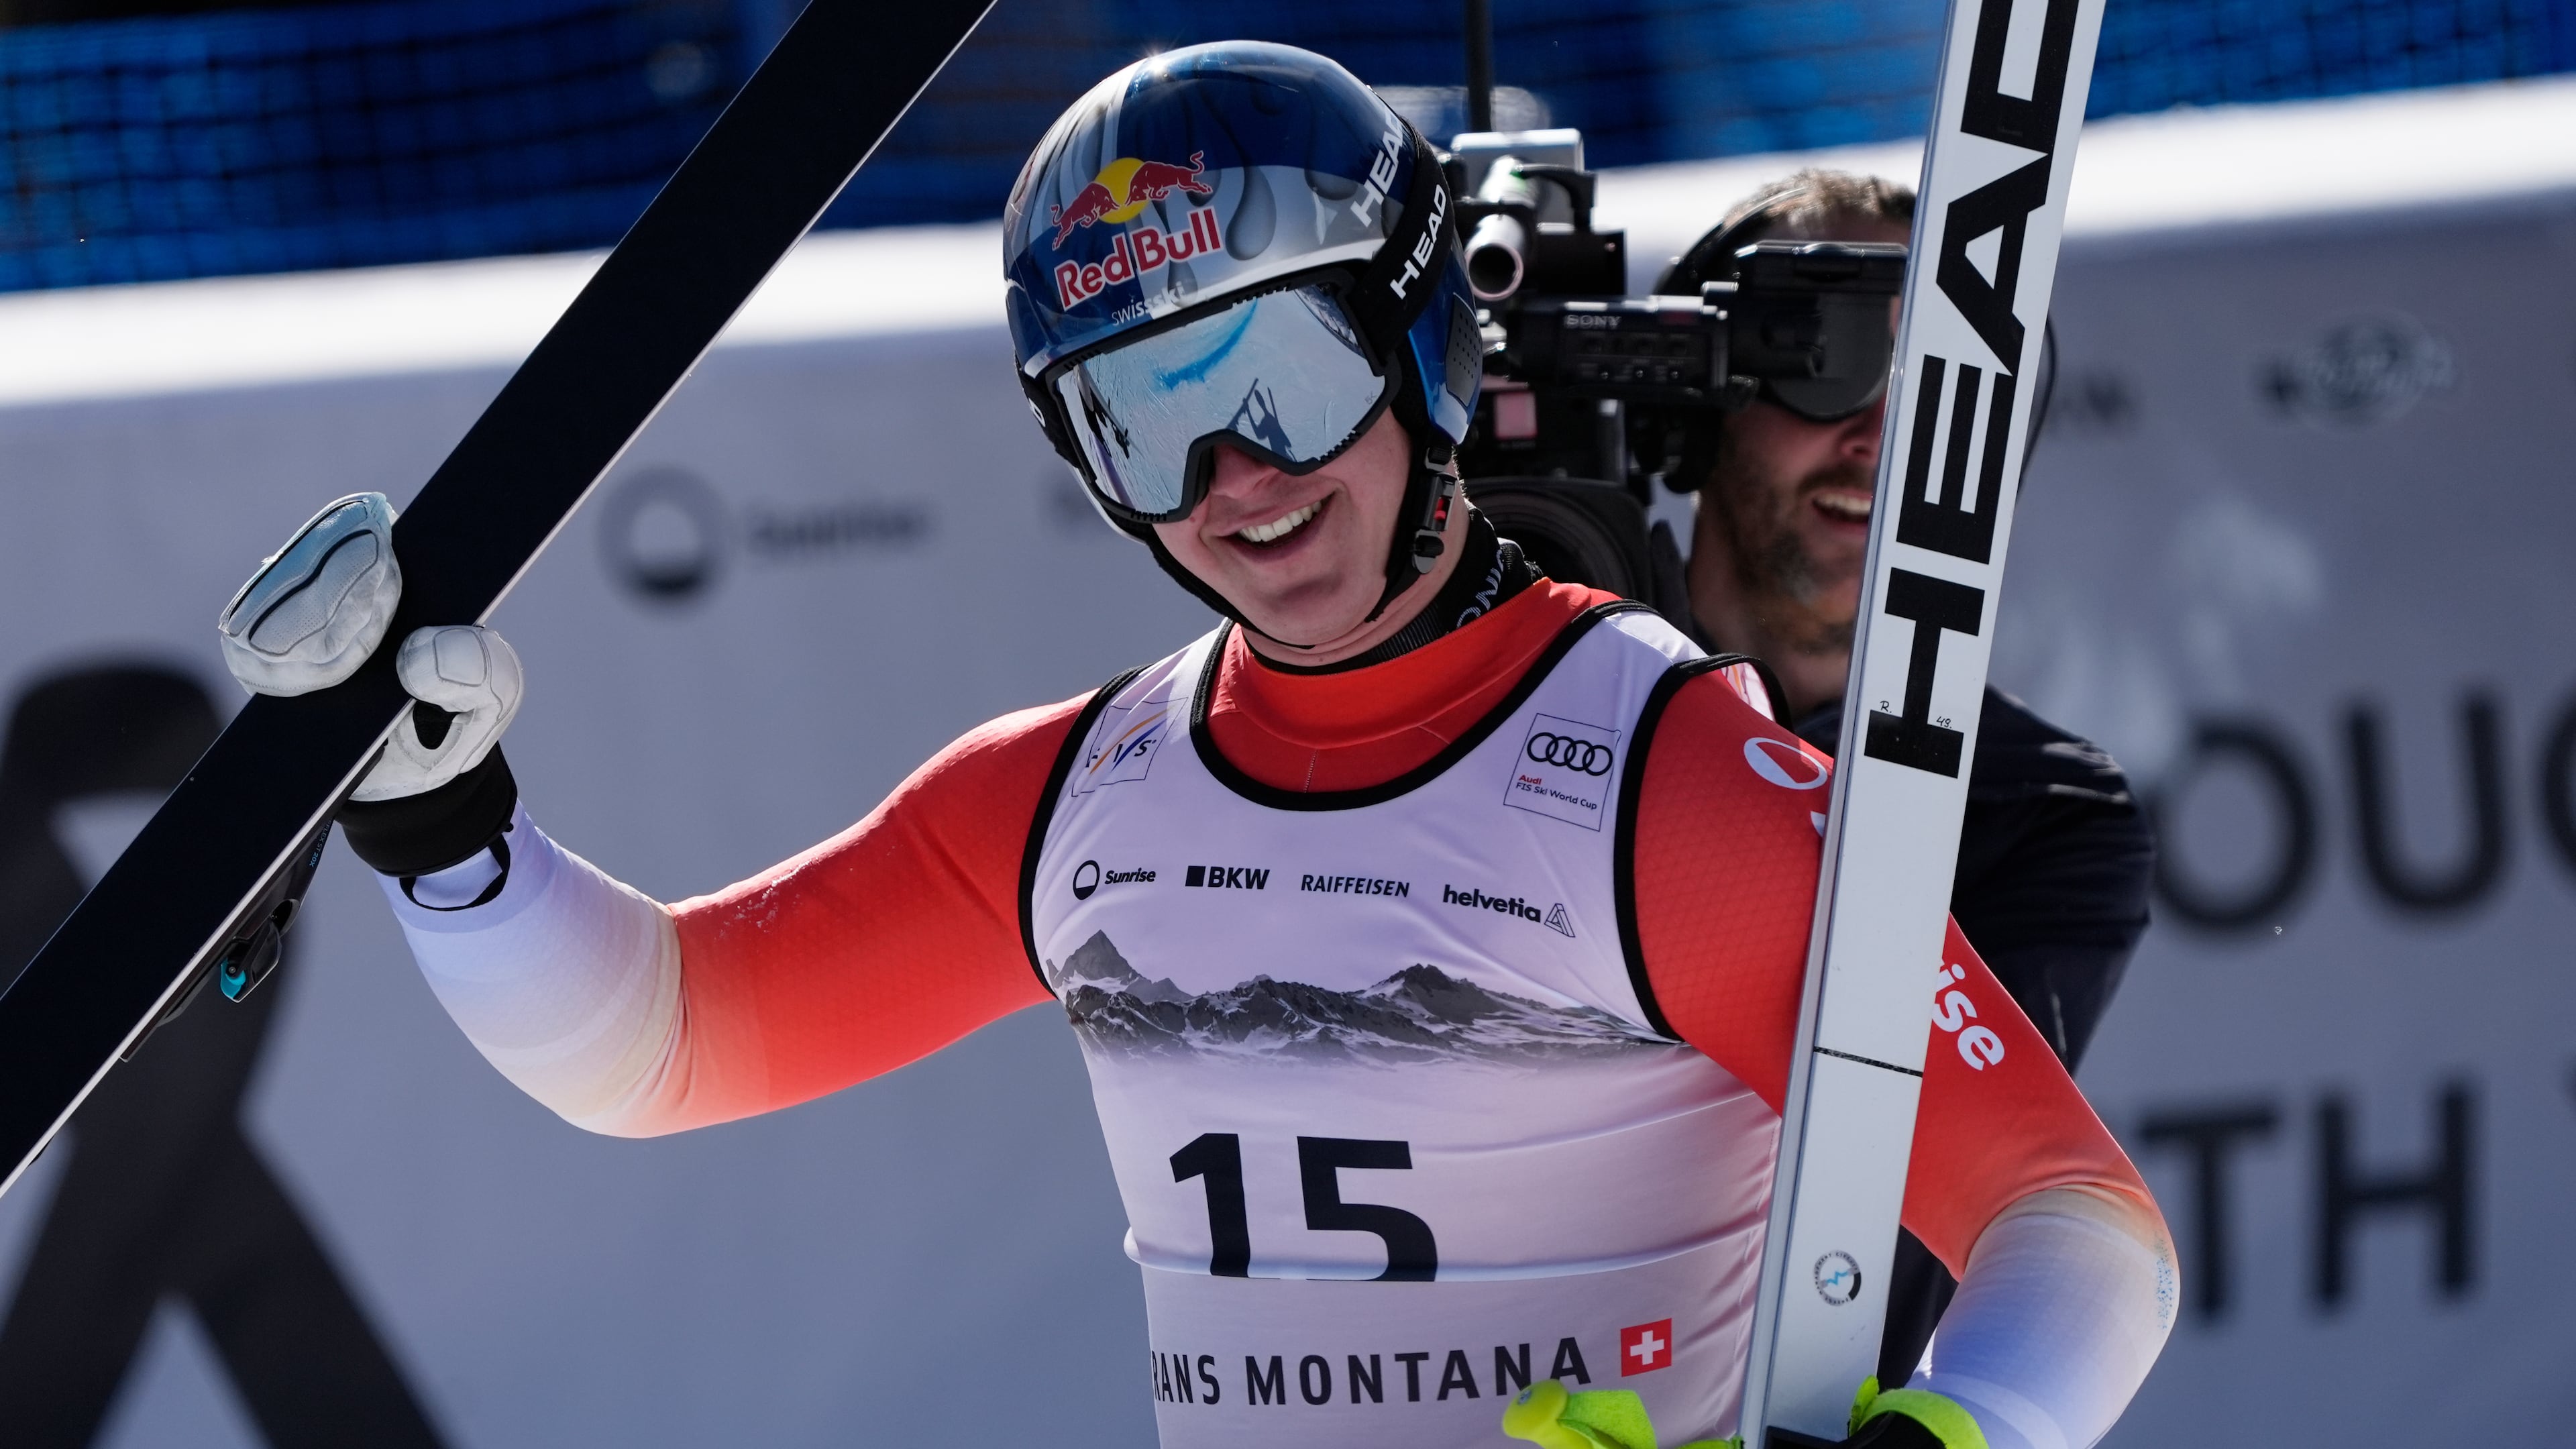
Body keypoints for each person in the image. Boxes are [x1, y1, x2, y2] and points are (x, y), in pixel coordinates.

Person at [216, 47, 2173, 1449]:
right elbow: (662, 1043)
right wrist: (447, 831)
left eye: (1284, 378)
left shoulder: (1667, 780)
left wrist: (1957, 1435)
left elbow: (2073, 1226)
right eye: (1147, 419)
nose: (1239, 479)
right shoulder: (1076, 797)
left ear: (1420, 354)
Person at [1659, 169, 2159, 1389]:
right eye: (1819, 356)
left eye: (1942, 393)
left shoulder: (2039, 818)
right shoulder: (1534, 697)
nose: (1878, 436)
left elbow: (1872, 1204)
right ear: (1696, 403)